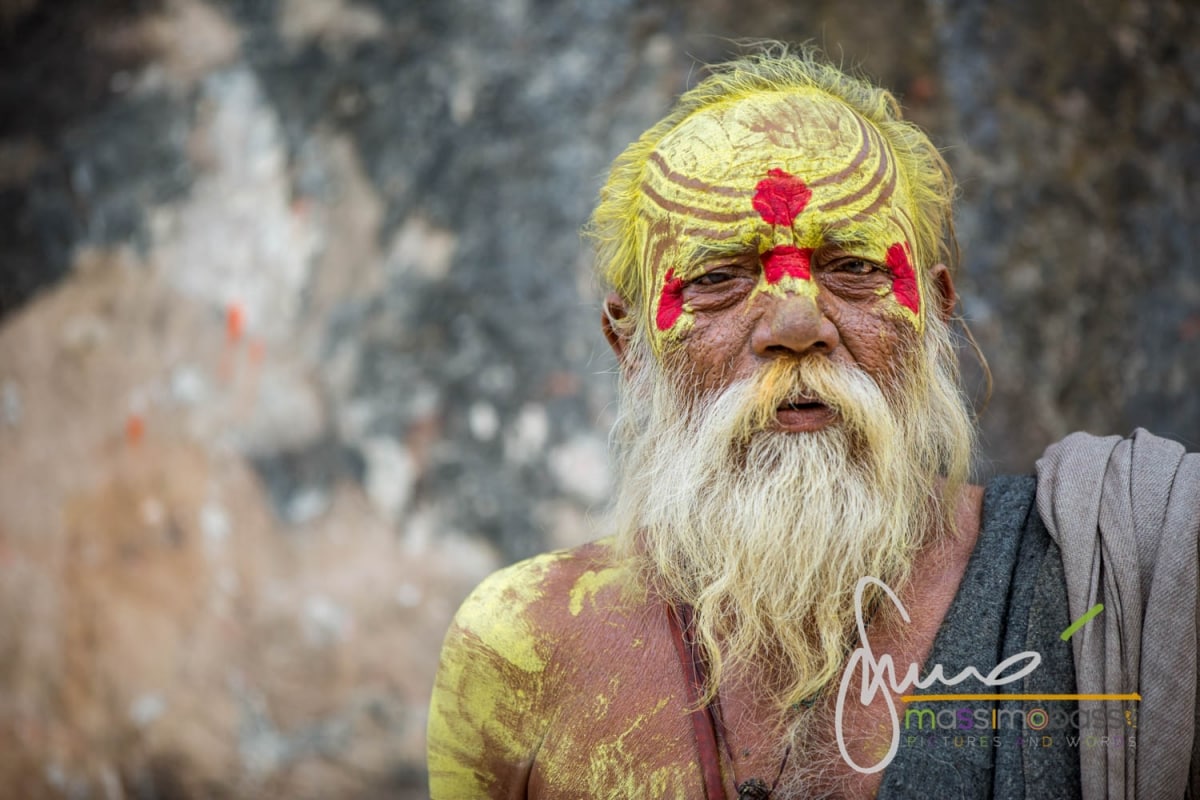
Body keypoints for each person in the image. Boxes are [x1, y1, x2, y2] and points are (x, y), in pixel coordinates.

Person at [426, 45, 1200, 799]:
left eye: (855, 268)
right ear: (628, 344)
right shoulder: (523, 647)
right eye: (718, 278)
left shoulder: (1129, 568)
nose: (796, 325)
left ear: (934, 313)